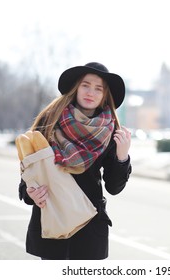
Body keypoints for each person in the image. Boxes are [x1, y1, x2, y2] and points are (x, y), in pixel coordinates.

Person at [18, 62, 132, 260]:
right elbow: (29, 172)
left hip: (89, 228)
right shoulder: (50, 120)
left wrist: (122, 157)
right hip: (53, 220)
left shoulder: (111, 131)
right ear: (76, 87)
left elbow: (113, 187)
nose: (91, 92)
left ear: (105, 95)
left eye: (99, 89)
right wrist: (30, 194)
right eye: (85, 85)